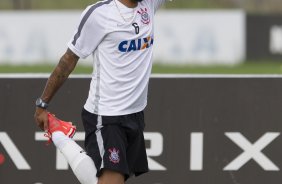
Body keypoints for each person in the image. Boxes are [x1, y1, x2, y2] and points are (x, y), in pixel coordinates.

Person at [34, 0, 171, 183]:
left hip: (135, 115)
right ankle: (60, 135)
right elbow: (68, 60)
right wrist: (42, 104)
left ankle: (59, 133)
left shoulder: (149, 4)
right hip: (106, 117)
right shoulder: (99, 14)